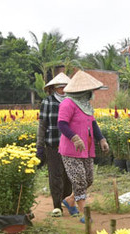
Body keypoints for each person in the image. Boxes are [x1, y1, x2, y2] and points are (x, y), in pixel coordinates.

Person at [57, 70, 109, 223]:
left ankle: (70, 200)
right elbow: (62, 124)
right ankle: (84, 214)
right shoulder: (67, 103)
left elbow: (93, 123)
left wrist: (101, 139)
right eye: (90, 91)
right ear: (82, 91)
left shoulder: (86, 105)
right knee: (79, 180)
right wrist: (74, 137)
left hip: (86, 148)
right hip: (71, 149)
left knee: (88, 179)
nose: (92, 94)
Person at [36, 72, 74, 218]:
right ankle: (57, 205)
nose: (62, 89)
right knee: (55, 174)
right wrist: (39, 145)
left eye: (65, 87)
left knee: (68, 174)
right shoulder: (47, 102)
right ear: (53, 88)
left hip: (70, 144)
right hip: (52, 143)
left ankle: (67, 201)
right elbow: (42, 125)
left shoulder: (72, 102)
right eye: (59, 87)